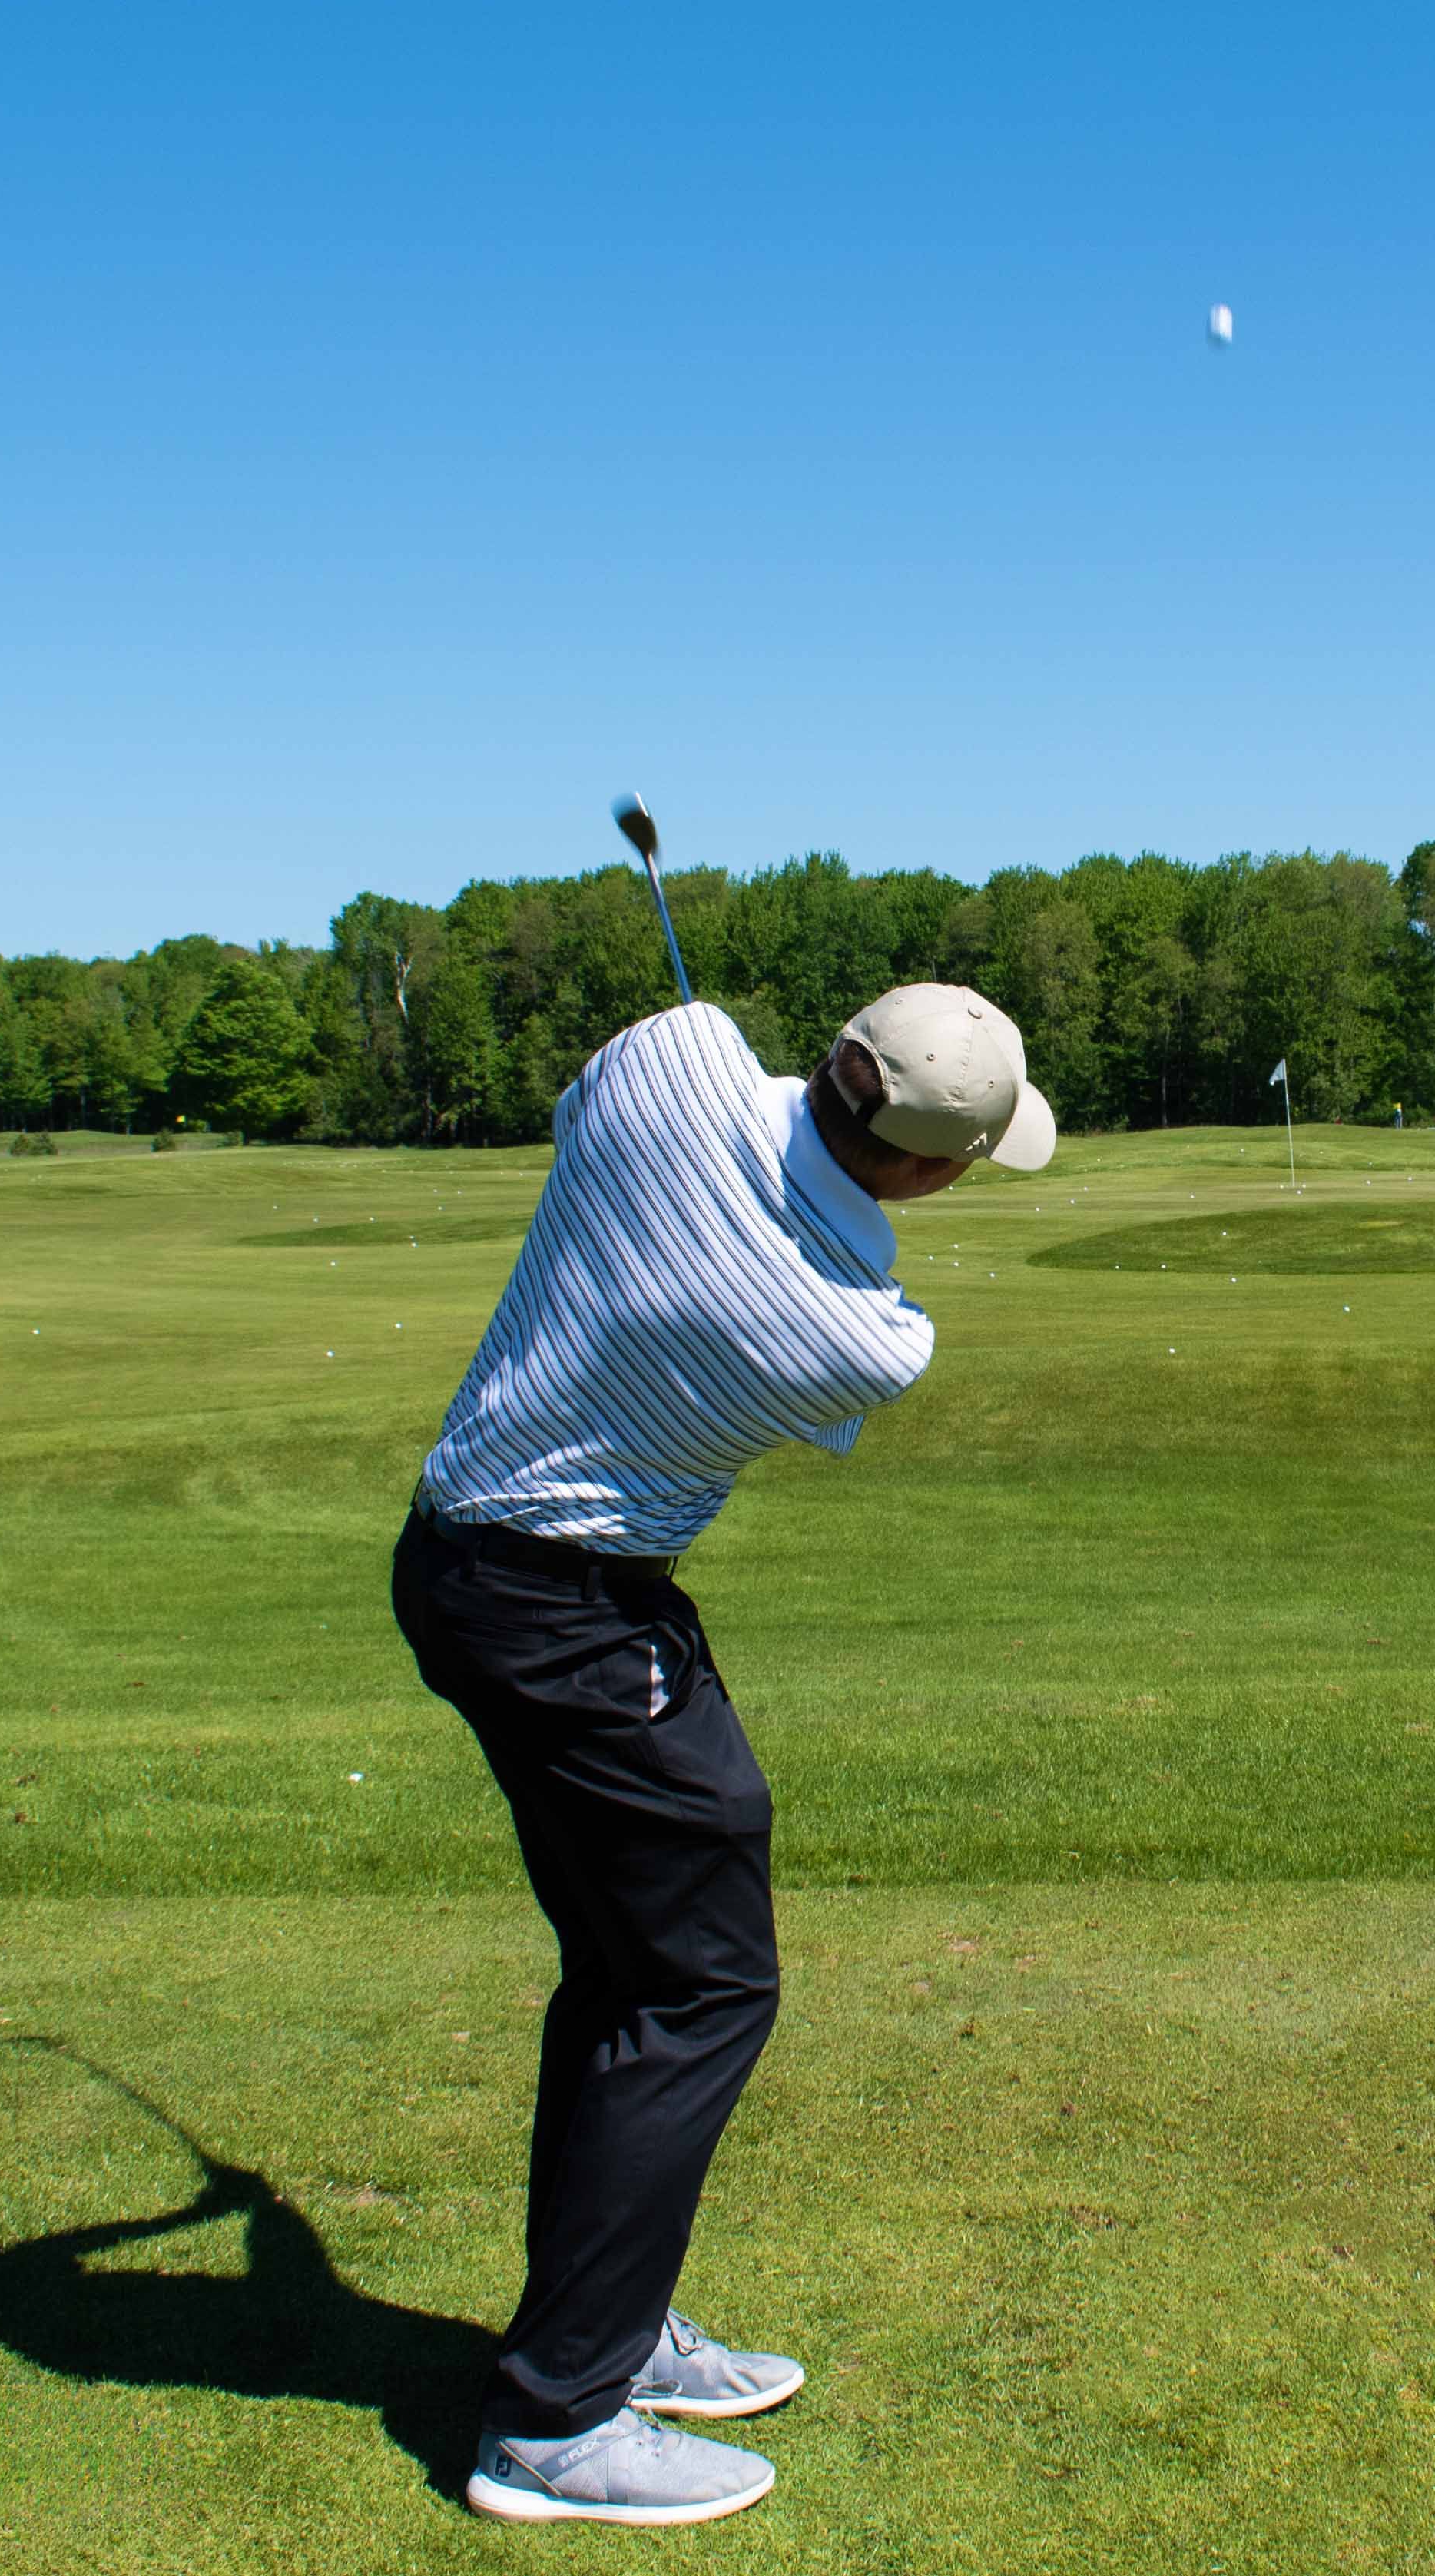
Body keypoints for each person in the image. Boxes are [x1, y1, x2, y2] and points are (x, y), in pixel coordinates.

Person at [389, 983, 1057, 2527]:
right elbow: (818, 1260)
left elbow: (640, 1100)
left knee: (631, 1975)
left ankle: (607, 2327)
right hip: (564, 1619)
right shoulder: (862, 1333)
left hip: (470, 1571)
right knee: (700, 1985)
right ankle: (555, 2427)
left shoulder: (670, 1056)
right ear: (929, 1167)